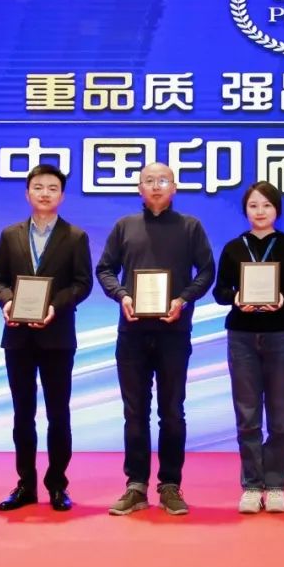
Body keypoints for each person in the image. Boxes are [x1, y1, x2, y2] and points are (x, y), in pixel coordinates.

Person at [96, 162, 215, 516]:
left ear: (174, 188)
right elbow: (104, 269)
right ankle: (135, 485)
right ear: (139, 188)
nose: (157, 186)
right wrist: (122, 295)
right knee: (134, 412)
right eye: (149, 180)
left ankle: (170, 485)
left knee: (172, 412)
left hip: (174, 331)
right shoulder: (125, 226)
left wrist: (183, 299)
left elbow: (207, 270)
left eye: (163, 180)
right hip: (132, 332)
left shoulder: (190, 226)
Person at [0, 164, 93, 512]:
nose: (45, 193)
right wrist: (7, 302)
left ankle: (58, 484)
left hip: (57, 337)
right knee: (22, 414)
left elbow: (82, 284)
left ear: (61, 195)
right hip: (17, 337)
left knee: (58, 414)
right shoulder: (10, 235)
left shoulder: (75, 236)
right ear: (27, 193)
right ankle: (25, 484)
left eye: (52, 188)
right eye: (38, 187)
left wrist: (53, 307)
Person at [212, 181, 284, 513]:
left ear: (277, 210)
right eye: (253, 205)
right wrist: (236, 297)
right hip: (241, 336)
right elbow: (219, 292)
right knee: (247, 416)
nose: (260, 211)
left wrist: (282, 297)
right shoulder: (233, 248)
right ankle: (252, 485)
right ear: (245, 210)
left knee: (280, 417)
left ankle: (277, 484)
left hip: (281, 335)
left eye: (266, 205)